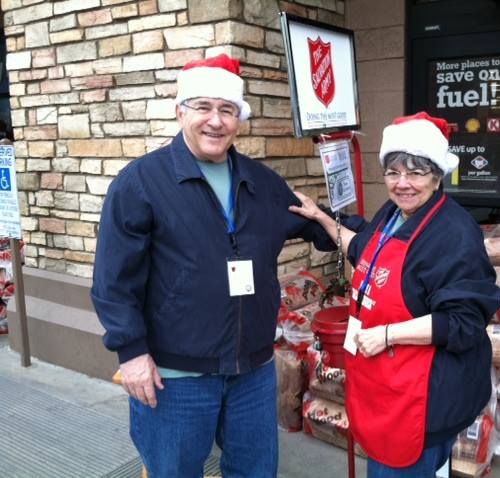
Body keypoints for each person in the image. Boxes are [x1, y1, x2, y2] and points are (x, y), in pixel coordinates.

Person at [91, 54, 355, 478]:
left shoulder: (260, 182)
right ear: (180, 112)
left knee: (255, 472)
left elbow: (317, 222)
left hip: (252, 370)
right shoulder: (141, 182)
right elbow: (112, 280)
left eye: (227, 110)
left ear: (238, 119)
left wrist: (388, 236)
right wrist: (132, 352)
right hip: (174, 376)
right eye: (203, 107)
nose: (216, 121)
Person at [290, 112, 500, 477]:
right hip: (386, 388)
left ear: (437, 174)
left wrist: (386, 334)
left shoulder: (453, 234)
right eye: (393, 172)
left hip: (422, 401)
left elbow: (463, 322)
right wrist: (321, 218)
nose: (403, 183)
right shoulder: (394, 214)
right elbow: (364, 251)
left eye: (416, 172)